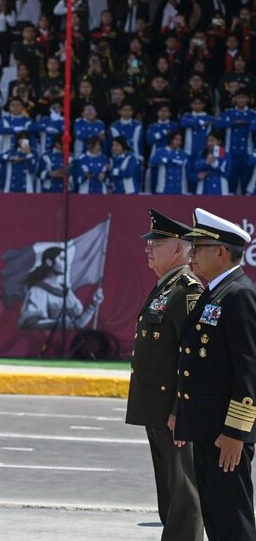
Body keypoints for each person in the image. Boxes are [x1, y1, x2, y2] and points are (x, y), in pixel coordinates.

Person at [175, 208, 256, 541]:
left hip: (225, 434)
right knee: (216, 518)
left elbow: (249, 369)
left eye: (198, 248)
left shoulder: (239, 294)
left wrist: (236, 432)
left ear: (221, 252)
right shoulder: (216, 292)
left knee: (232, 521)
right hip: (208, 428)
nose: (191, 256)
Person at [125, 209, 204, 541]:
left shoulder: (186, 290)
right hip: (156, 407)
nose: (148, 248)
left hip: (173, 411)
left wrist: (179, 407)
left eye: (156, 243)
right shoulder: (166, 287)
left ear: (177, 250)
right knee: (169, 491)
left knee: (184, 492)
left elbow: (192, 358)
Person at [18, 246, 104, 330]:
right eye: (62, 259)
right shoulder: (37, 291)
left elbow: (78, 325)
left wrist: (93, 305)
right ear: (49, 262)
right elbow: (30, 323)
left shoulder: (66, 291)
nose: (66, 263)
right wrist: (57, 324)